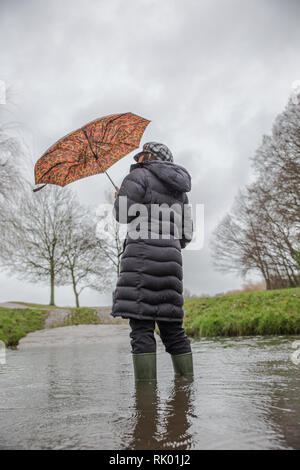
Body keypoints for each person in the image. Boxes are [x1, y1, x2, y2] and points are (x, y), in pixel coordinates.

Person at [111, 141, 193, 381]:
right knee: (173, 329)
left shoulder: (139, 176)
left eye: (141, 155)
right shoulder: (181, 190)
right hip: (171, 261)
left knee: (142, 328)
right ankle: (186, 391)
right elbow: (186, 235)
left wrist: (119, 198)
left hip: (141, 259)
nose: (137, 160)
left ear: (150, 157)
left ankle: (145, 404)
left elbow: (122, 215)